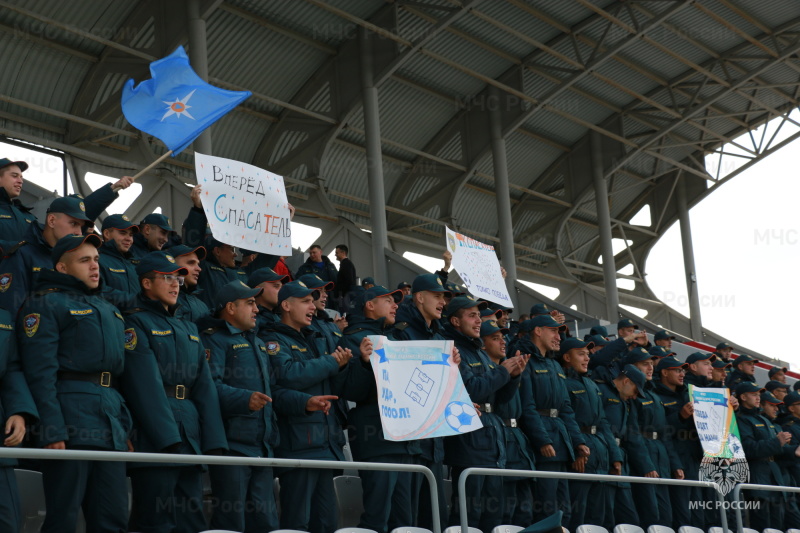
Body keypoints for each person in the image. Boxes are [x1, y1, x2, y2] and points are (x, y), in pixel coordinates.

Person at [200, 280, 336, 532]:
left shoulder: (257, 341)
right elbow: (209, 388)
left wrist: (305, 402)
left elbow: (273, 393)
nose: (256, 309)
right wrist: (244, 399)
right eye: (250, 303)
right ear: (230, 308)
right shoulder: (214, 341)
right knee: (233, 523)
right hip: (232, 447)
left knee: (266, 524)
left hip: (262, 446)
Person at [18, 234, 132, 533]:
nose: (95, 266)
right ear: (63, 268)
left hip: (110, 427)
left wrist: (124, 426)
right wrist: (52, 429)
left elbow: (115, 378)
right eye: (84, 260)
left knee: (113, 518)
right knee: (63, 519)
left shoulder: (108, 308)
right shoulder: (45, 304)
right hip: (70, 427)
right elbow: (40, 373)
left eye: (96, 259)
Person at [120, 251, 228, 533]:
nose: (175, 284)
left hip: (189, 439)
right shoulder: (135, 322)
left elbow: (204, 387)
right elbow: (144, 387)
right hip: (155, 441)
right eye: (167, 278)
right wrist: (168, 440)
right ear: (146, 283)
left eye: (178, 278)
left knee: (191, 523)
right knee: (156, 523)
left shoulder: (189, 326)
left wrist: (214, 441)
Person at [262, 280, 352, 533]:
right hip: (298, 447)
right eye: (306, 301)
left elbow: (335, 382)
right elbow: (288, 374)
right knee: (297, 523)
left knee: (326, 523)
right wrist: (332, 362)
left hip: (325, 445)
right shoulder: (272, 338)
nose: (313, 306)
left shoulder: (315, 338)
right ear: (286, 305)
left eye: (313, 301)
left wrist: (349, 364)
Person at [442, 295, 527, 531]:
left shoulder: (478, 351)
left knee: (493, 517)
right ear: (456, 321)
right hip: (469, 442)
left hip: (492, 441)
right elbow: (471, 391)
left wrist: (513, 376)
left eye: (479, 315)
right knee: (469, 516)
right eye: (472, 315)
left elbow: (499, 401)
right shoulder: (455, 350)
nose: (478, 320)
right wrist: (503, 373)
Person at [337, 284, 414, 533]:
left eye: (397, 302)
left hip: (402, 436)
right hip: (374, 435)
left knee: (404, 520)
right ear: (370, 305)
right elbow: (351, 392)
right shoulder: (352, 338)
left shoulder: (399, 337)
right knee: (377, 516)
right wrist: (363, 362)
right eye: (389, 301)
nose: (395, 306)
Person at [391, 273, 452, 532]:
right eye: (437, 296)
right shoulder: (400, 333)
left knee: (435, 518)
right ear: (419, 297)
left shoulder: (440, 338)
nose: (442, 302)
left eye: (444, 298)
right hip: (410, 442)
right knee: (408, 520)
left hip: (434, 442)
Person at [515, 314, 587, 524]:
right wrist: (542, 440)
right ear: (538, 331)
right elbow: (527, 407)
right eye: (553, 331)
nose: (558, 336)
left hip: (562, 443)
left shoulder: (555, 365)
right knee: (546, 509)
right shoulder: (526, 359)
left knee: (565, 509)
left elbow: (565, 408)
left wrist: (578, 441)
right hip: (543, 446)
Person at [0, 158, 133, 247]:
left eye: (21, 177)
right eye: (14, 176)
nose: (20, 181)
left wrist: (112, 189)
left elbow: (75, 215)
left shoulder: (26, 216)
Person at [480, 319, 535, 526]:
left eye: (503, 338)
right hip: (493, 443)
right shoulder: (487, 372)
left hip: (515, 446)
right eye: (495, 338)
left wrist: (514, 376)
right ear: (482, 345)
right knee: (500, 514)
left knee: (523, 513)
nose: (503, 343)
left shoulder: (507, 370)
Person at [558, 337, 617, 530]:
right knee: (578, 516)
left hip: (600, 454)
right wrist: (577, 447)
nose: (587, 358)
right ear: (567, 357)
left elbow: (603, 423)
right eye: (581, 354)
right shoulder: (563, 383)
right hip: (581, 455)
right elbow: (566, 418)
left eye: (588, 354)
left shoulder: (591, 384)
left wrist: (615, 456)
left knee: (599, 517)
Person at [0, 196, 91, 317]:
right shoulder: (21, 256)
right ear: (52, 220)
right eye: (73, 223)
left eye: (81, 226)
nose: (79, 232)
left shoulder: (75, 259)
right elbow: (10, 312)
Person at [736, 381, 800, 529]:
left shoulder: (764, 420)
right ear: (743, 397)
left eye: (758, 394)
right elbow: (748, 448)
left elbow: (779, 449)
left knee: (776, 527)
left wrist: (794, 450)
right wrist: (777, 442)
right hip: (757, 480)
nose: (758, 397)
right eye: (753, 394)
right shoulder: (741, 419)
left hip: (774, 479)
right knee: (763, 525)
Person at [625, 347, 677, 528]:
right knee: (650, 512)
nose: (650, 368)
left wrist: (676, 464)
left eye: (651, 364)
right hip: (645, 457)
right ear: (632, 367)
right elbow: (632, 434)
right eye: (644, 364)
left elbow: (665, 434)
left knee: (666, 514)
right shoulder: (632, 394)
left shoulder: (654, 394)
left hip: (661, 456)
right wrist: (646, 465)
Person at [0, 304, 37, 532]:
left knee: (7, 522)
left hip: (1, 446)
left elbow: (12, 368)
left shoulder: (4, 316)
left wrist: (19, 412)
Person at [98, 214, 140, 305]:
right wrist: (136, 301)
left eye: (131, 235)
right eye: (123, 233)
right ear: (107, 234)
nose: (129, 239)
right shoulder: (96, 260)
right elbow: (99, 291)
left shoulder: (136, 263)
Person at [167, 244, 211, 323]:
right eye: (191, 263)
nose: (199, 269)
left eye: (198, 264)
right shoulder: (163, 300)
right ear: (172, 265)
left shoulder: (203, 306)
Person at [249, 267, 290, 332]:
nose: (281, 291)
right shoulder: (250, 321)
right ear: (258, 290)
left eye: (281, 287)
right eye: (276, 286)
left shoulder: (281, 316)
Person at [334, 244, 356, 311]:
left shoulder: (346, 264)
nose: (335, 255)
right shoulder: (346, 264)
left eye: (337, 253)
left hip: (345, 296)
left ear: (343, 253)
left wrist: (341, 294)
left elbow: (349, 281)